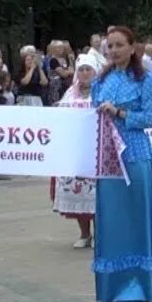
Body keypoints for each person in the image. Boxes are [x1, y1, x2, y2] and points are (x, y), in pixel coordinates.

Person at [91, 26, 152, 302]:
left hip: (134, 153)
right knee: (113, 220)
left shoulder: (145, 78)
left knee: (136, 218)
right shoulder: (102, 80)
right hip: (109, 158)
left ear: (132, 47)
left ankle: (138, 285)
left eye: (119, 45)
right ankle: (115, 286)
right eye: (109, 46)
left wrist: (120, 113)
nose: (113, 51)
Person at [52, 55, 100, 247]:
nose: (85, 73)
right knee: (77, 194)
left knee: (96, 195)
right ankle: (84, 234)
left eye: (88, 69)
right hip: (75, 152)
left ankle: (99, 234)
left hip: (96, 151)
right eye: (81, 70)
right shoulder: (70, 93)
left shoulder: (102, 92)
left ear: (95, 71)